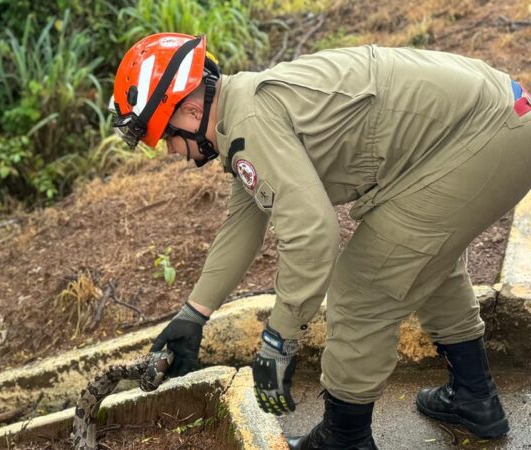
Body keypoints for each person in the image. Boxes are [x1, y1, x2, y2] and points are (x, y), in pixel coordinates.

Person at [110, 33, 531, 449]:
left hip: (482, 133)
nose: (169, 151)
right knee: (417, 259)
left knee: (364, 286)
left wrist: (279, 339)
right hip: (495, 119)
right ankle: (474, 398)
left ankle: (345, 438)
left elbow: (313, 237)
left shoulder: (249, 123)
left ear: (188, 106)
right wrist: (193, 316)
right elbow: (241, 225)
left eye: (165, 135)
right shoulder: (242, 112)